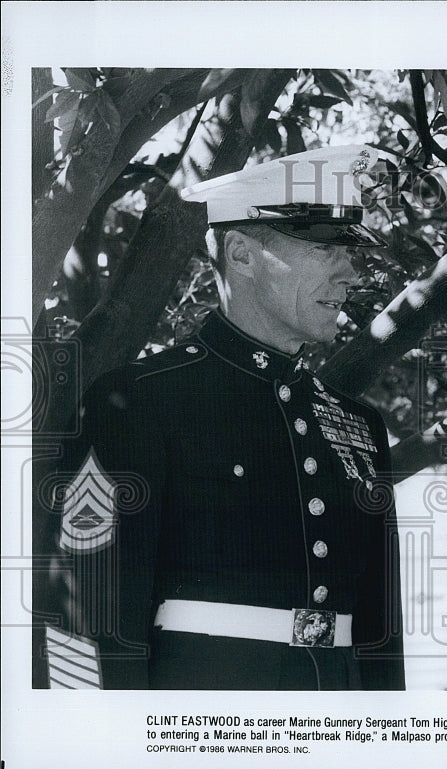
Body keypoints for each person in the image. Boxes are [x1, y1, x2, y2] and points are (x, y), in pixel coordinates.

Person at [43, 145, 405, 690]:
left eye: (351, 252)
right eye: (326, 248)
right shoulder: (139, 400)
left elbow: (381, 635)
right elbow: (83, 618)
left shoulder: (356, 424)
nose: (350, 273)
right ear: (240, 254)